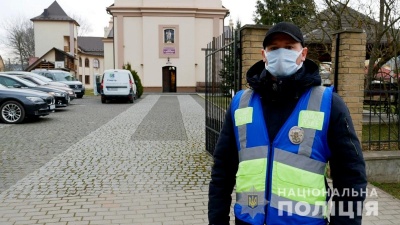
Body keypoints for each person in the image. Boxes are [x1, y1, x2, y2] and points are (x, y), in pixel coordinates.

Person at [208, 22, 367, 225]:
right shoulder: (241, 103)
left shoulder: (328, 104)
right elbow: (222, 171)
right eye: (274, 48)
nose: (281, 53)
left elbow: (351, 177)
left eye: (290, 47)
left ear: (303, 53)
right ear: (264, 55)